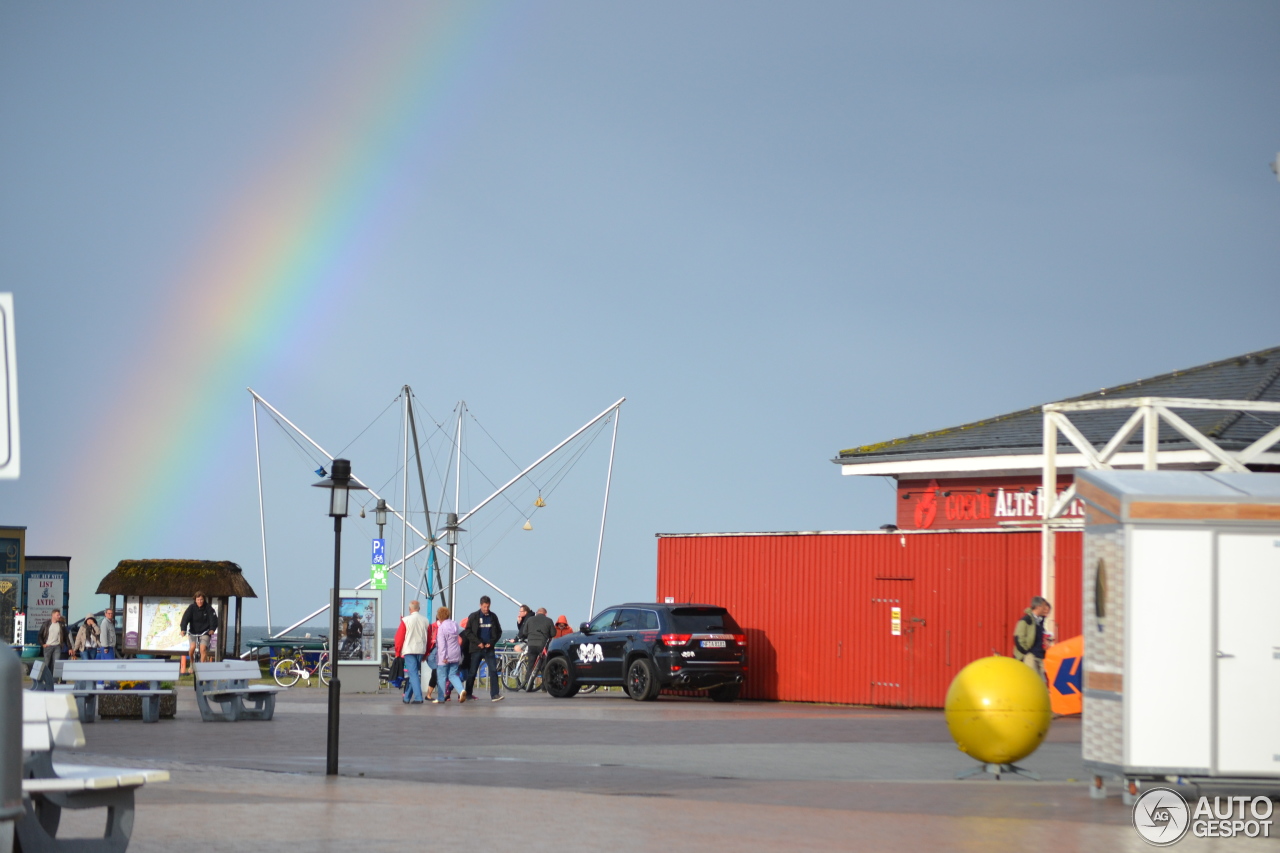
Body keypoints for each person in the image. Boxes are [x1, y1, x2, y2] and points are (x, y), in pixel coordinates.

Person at [462, 596, 504, 702]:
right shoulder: (473, 616)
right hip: (477, 649)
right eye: (484, 607)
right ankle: (468, 694)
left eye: (488, 606)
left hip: (489, 649)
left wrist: (492, 642)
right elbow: (468, 631)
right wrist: (478, 643)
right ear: (480, 605)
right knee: (472, 672)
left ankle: (495, 694)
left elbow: (499, 631)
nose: (486, 609)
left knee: (493, 671)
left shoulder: (493, 617)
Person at [397, 600, 431, 704]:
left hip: (409, 649)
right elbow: (429, 638)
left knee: (413, 673)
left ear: (409, 609)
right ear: (419, 608)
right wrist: (427, 652)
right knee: (414, 673)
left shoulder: (405, 620)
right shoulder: (425, 621)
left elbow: (399, 638)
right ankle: (407, 697)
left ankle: (418, 697)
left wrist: (398, 651)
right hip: (421, 649)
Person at [432, 607, 467, 703]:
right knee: (453, 675)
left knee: (442, 676)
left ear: (439, 616)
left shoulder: (442, 628)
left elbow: (442, 644)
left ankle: (440, 697)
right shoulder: (455, 624)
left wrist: (443, 657)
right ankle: (461, 690)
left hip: (446, 655)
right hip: (455, 653)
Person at [1013, 596, 1052, 679]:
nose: (1046, 609)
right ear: (1039, 607)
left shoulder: (1039, 622)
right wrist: (1026, 653)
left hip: (1040, 656)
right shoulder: (1026, 620)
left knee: (1042, 682)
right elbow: (1018, 638)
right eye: (1044, 606)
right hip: (1030, 656)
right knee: (1032, 678)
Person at [180, 591, 220, 664]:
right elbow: (185, 618)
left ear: (204, 599)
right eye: (198, 599)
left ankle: (201, 667)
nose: (200, 601)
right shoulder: (191, 608)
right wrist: (183, 629)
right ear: (195, 600)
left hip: (205, 632)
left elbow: (213, 619)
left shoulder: (208, 608)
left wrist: (212, 629)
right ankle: (192, 664)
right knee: (192, 648)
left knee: (203, 649)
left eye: (201, 599)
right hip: (193, 632)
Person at [523, 607, 555, 685]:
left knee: (530, 665)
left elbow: (524, 632)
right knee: (544, 666)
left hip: (531, 644)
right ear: (546, 614)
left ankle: (527, 684)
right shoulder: (549, 620)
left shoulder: (530, 619)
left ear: (537, 613)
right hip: (542, 646)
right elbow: (553, 634)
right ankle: (544, 686)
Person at [37, 609, 67, 690]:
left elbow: (65, 636)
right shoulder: (46, 624)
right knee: (47, 663)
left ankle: (54, 681)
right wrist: (43, 644)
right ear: (53, 615)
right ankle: (45, 679)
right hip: (48, 646)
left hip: (57, 646)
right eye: (57, 615)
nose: (59, 616)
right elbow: (40, 635)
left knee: (56, 663)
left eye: (59, 615)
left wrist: (69, 647)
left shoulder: (61, 625)